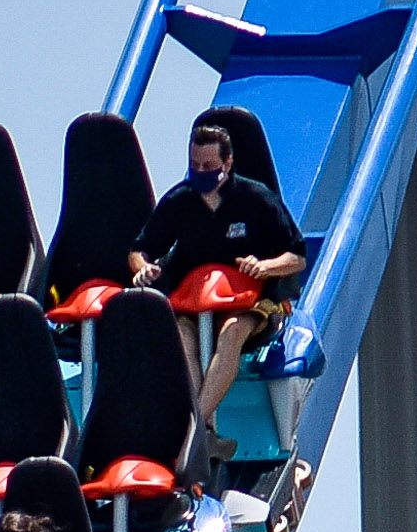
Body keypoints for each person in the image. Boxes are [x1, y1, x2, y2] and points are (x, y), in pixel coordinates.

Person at [128, 121, 305, 458]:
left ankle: (194, 425)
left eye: (209, 167)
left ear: (227, 164)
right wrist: (143, 268)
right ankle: (202, 430)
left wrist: (265, 266)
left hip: (248, 300)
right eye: (195, 166)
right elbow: (139, 249)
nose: (201, 172)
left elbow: (296, 256)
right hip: (192, 301)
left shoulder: (256, 199)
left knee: (231, 333)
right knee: (180, 336)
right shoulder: (180, 200)